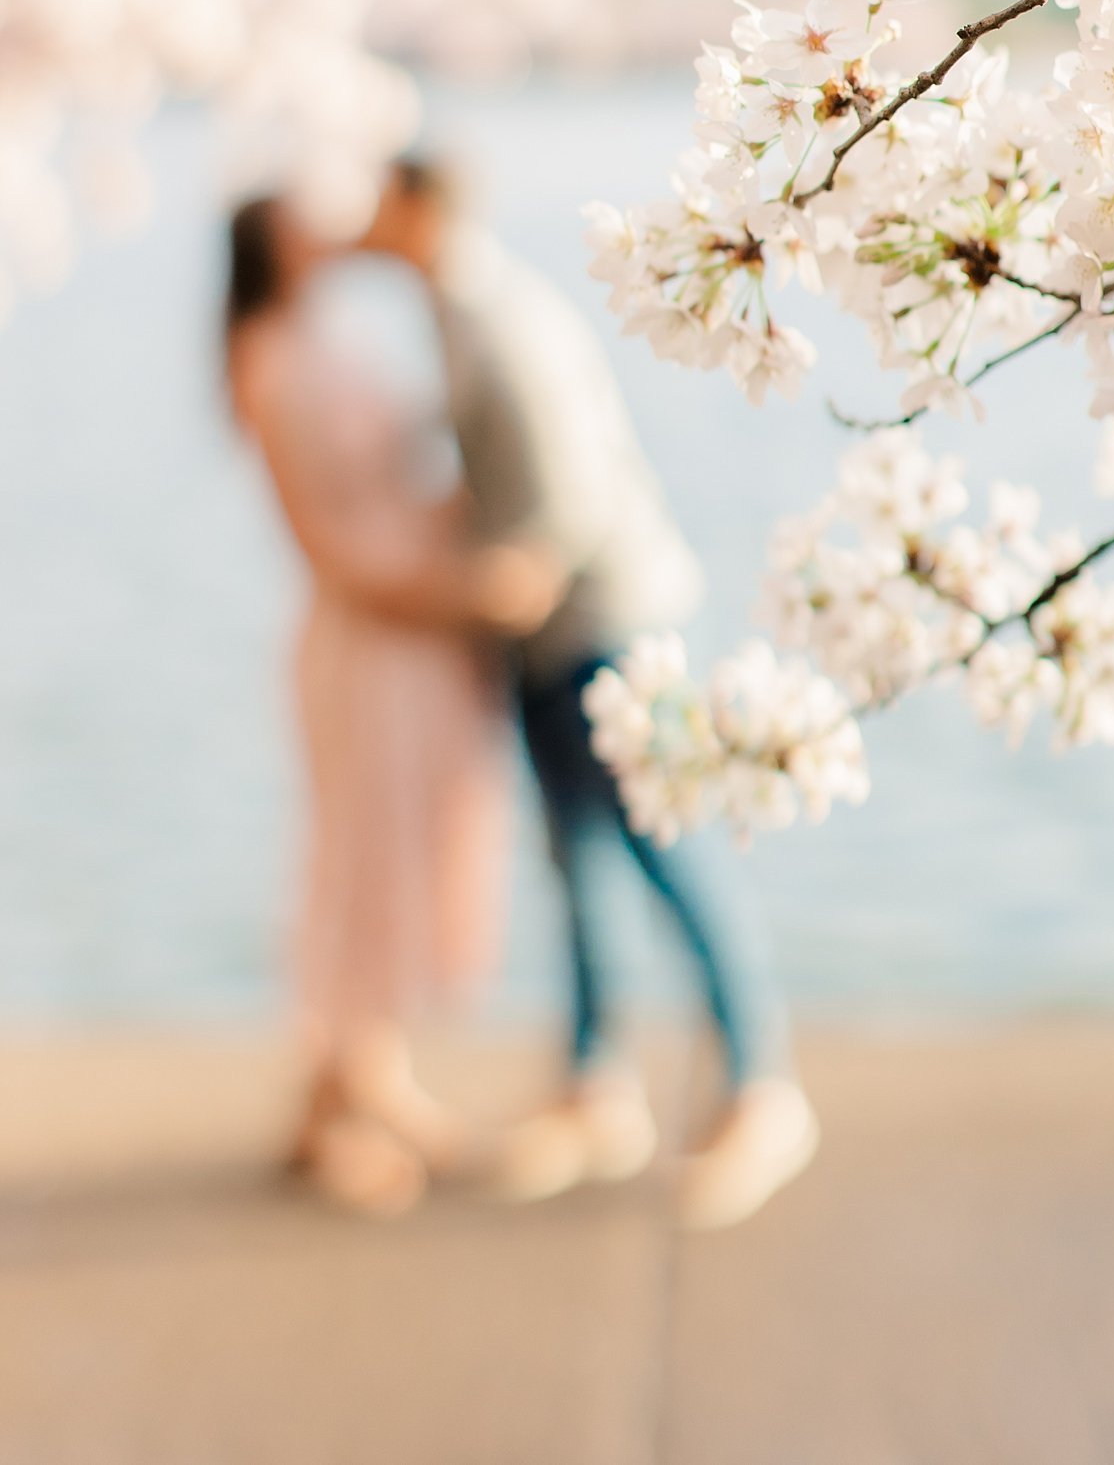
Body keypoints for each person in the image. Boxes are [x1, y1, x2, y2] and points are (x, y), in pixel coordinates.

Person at [361, 156, 819, 1230]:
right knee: (577, 858)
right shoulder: (457, 308)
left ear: (421, 207)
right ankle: (595, 1083)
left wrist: (456, 598)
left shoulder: (498, 319)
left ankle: (763, 1086)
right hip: (555, 634)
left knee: (673, 850)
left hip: (612, 626)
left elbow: (561, 505)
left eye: (380, 204)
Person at [226, 193, 562, 1216]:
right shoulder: (268, 354)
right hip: (373, 636)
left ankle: (348, 1084)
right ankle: (357, 1094)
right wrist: (452, 600)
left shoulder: (325, 336)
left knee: (402, 846)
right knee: (361, 856)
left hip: (408, 632)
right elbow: (319, 544)